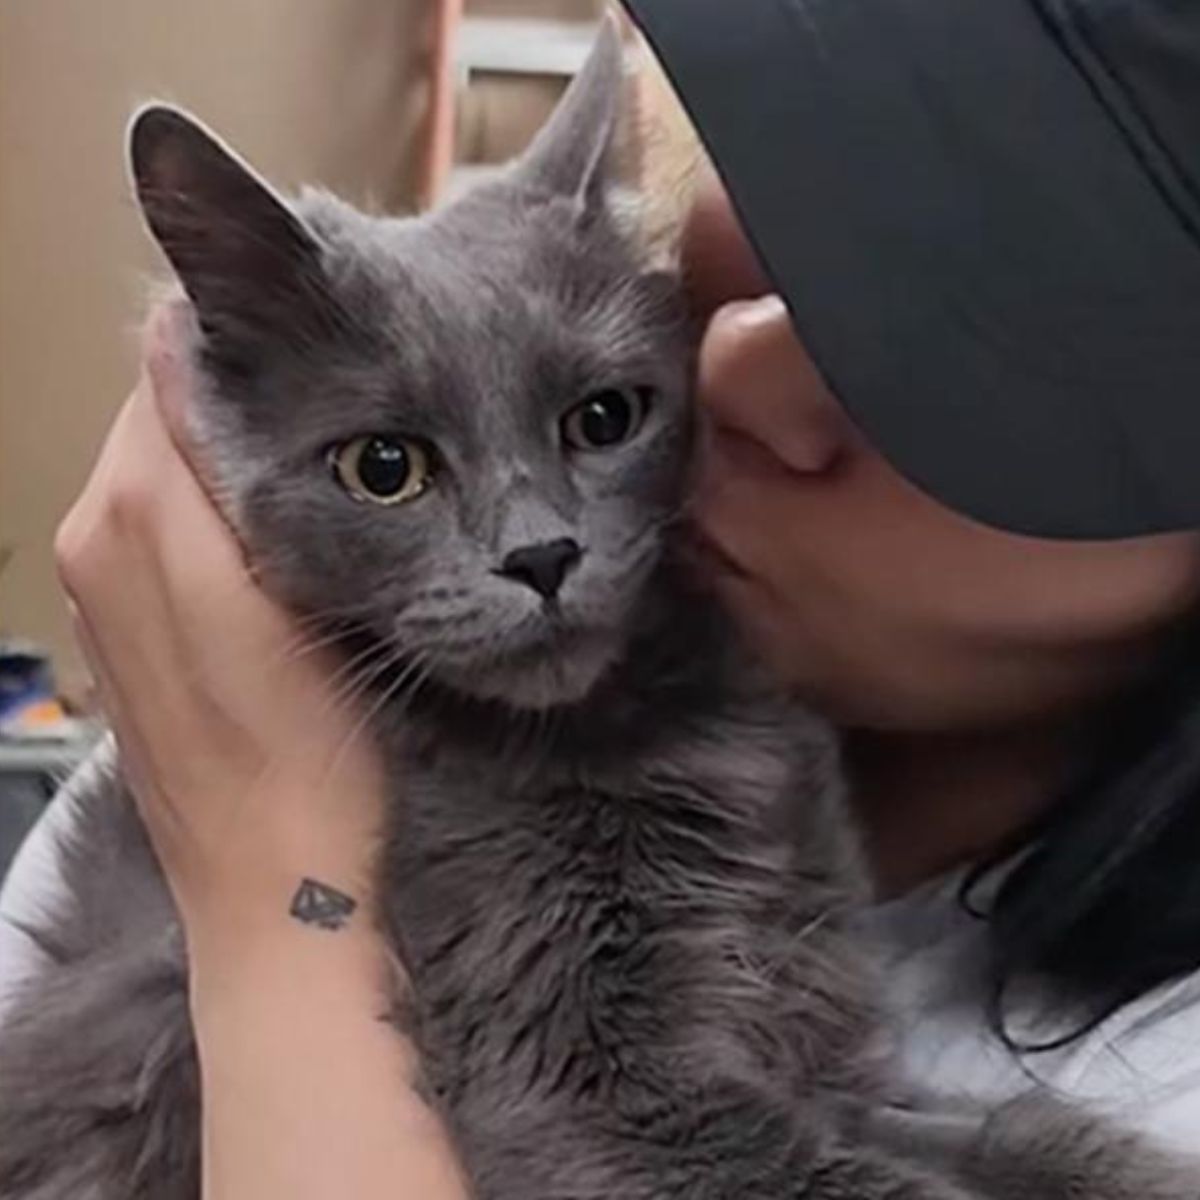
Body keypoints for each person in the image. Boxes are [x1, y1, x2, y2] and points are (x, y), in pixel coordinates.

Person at [5, 0, 1200, 1193]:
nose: (740, 365)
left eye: (974, 341)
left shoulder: (1164, 1066)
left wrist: (273, 925)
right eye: (814, 210)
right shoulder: (210, 737)